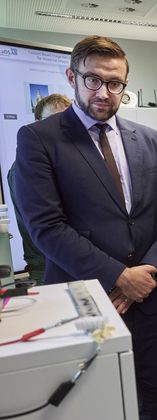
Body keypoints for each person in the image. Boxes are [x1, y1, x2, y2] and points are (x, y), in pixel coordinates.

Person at [14, 36, 157, 420]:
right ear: (73, 78)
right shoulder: (39, 140)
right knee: (90, 411)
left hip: (149, 301)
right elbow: (46, 227)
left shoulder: (148, 141)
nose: (103, 93)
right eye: (94, 80)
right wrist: (118, 276)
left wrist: (143, 275)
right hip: (85, 300)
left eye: (115, 84)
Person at [6, 93, 72, 284]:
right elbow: (49, 225)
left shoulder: (64, 162)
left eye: (66, 121)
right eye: (53, 121)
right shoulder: (24, 168)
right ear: (37, 123)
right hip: (48, 269)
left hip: (73, 266)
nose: (60, 128)